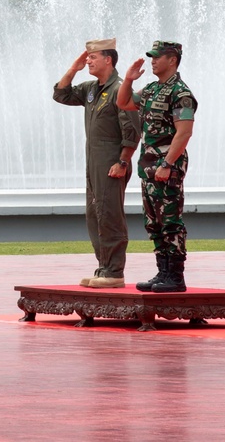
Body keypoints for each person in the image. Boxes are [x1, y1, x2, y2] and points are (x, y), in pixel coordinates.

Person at [54, 39, 141, 289]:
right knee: (95, 216)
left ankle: (114, 272)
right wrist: (73, 69)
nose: (88, 60)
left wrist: (123, 161)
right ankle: (103, 267)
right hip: (93, 163)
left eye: (93, 57)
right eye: (87, 57)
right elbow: (61, 94)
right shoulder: (91, 89)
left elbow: (132, 130)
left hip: (112, 162)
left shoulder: (119, 89)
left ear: (108, 60)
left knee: (110, 216)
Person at [116, 41, 197, 293]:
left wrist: (167, 164)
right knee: (154, 221)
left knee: (170, 219)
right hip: (149, 166)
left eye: (157, 57)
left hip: (166, 166)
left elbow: (184, 133)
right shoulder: (152, 89)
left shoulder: (180, 93)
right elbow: (124, 102)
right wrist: (128, 80)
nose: (152, 61)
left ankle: (175, 276)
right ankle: (163, 272)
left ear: (172, 60)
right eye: (151, 56)